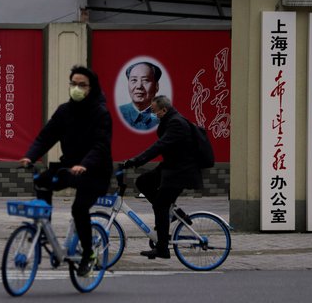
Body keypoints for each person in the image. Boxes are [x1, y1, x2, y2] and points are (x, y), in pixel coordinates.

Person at [19, 65, 113, 276]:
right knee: (42, 182)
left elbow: (101, 146)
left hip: (95, 171)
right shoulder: (64, 111)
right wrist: (30, 156)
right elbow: (46, 136)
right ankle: (46, 230)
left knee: (79, 209)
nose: (76, 88)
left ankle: (88, 254)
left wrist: (85, 164)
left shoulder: (100, 113)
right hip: (69, 167)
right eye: (73, 84)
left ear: (92, 88)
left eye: (82, 85)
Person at [122, 95, 203, 259]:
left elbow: (159, 146)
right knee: (143, 181)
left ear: (164, 110)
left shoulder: (176, 124)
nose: (152, 115)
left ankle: (163, 248)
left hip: (181, 172)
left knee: (160, 205)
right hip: (171, 167)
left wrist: (136, 160)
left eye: (154, 111)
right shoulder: (169, 121)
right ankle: (173, 212)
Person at [118, 61, 162, 131]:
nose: (139, 86)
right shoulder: (118, 113)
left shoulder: (165, 117)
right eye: (134, 80)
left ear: (156, 86)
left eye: (145, 80)